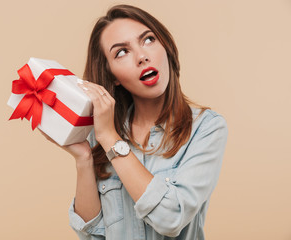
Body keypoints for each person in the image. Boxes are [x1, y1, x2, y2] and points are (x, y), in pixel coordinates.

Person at [41, 4, 227, 240]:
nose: (142, 56)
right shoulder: (101, 132)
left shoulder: (206, 128)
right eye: (121, 52)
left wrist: (110, 139)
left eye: (148, 40)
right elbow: (92, 236)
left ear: (166, 47)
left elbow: (171, 218)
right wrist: (84, 158)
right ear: (112, 77)